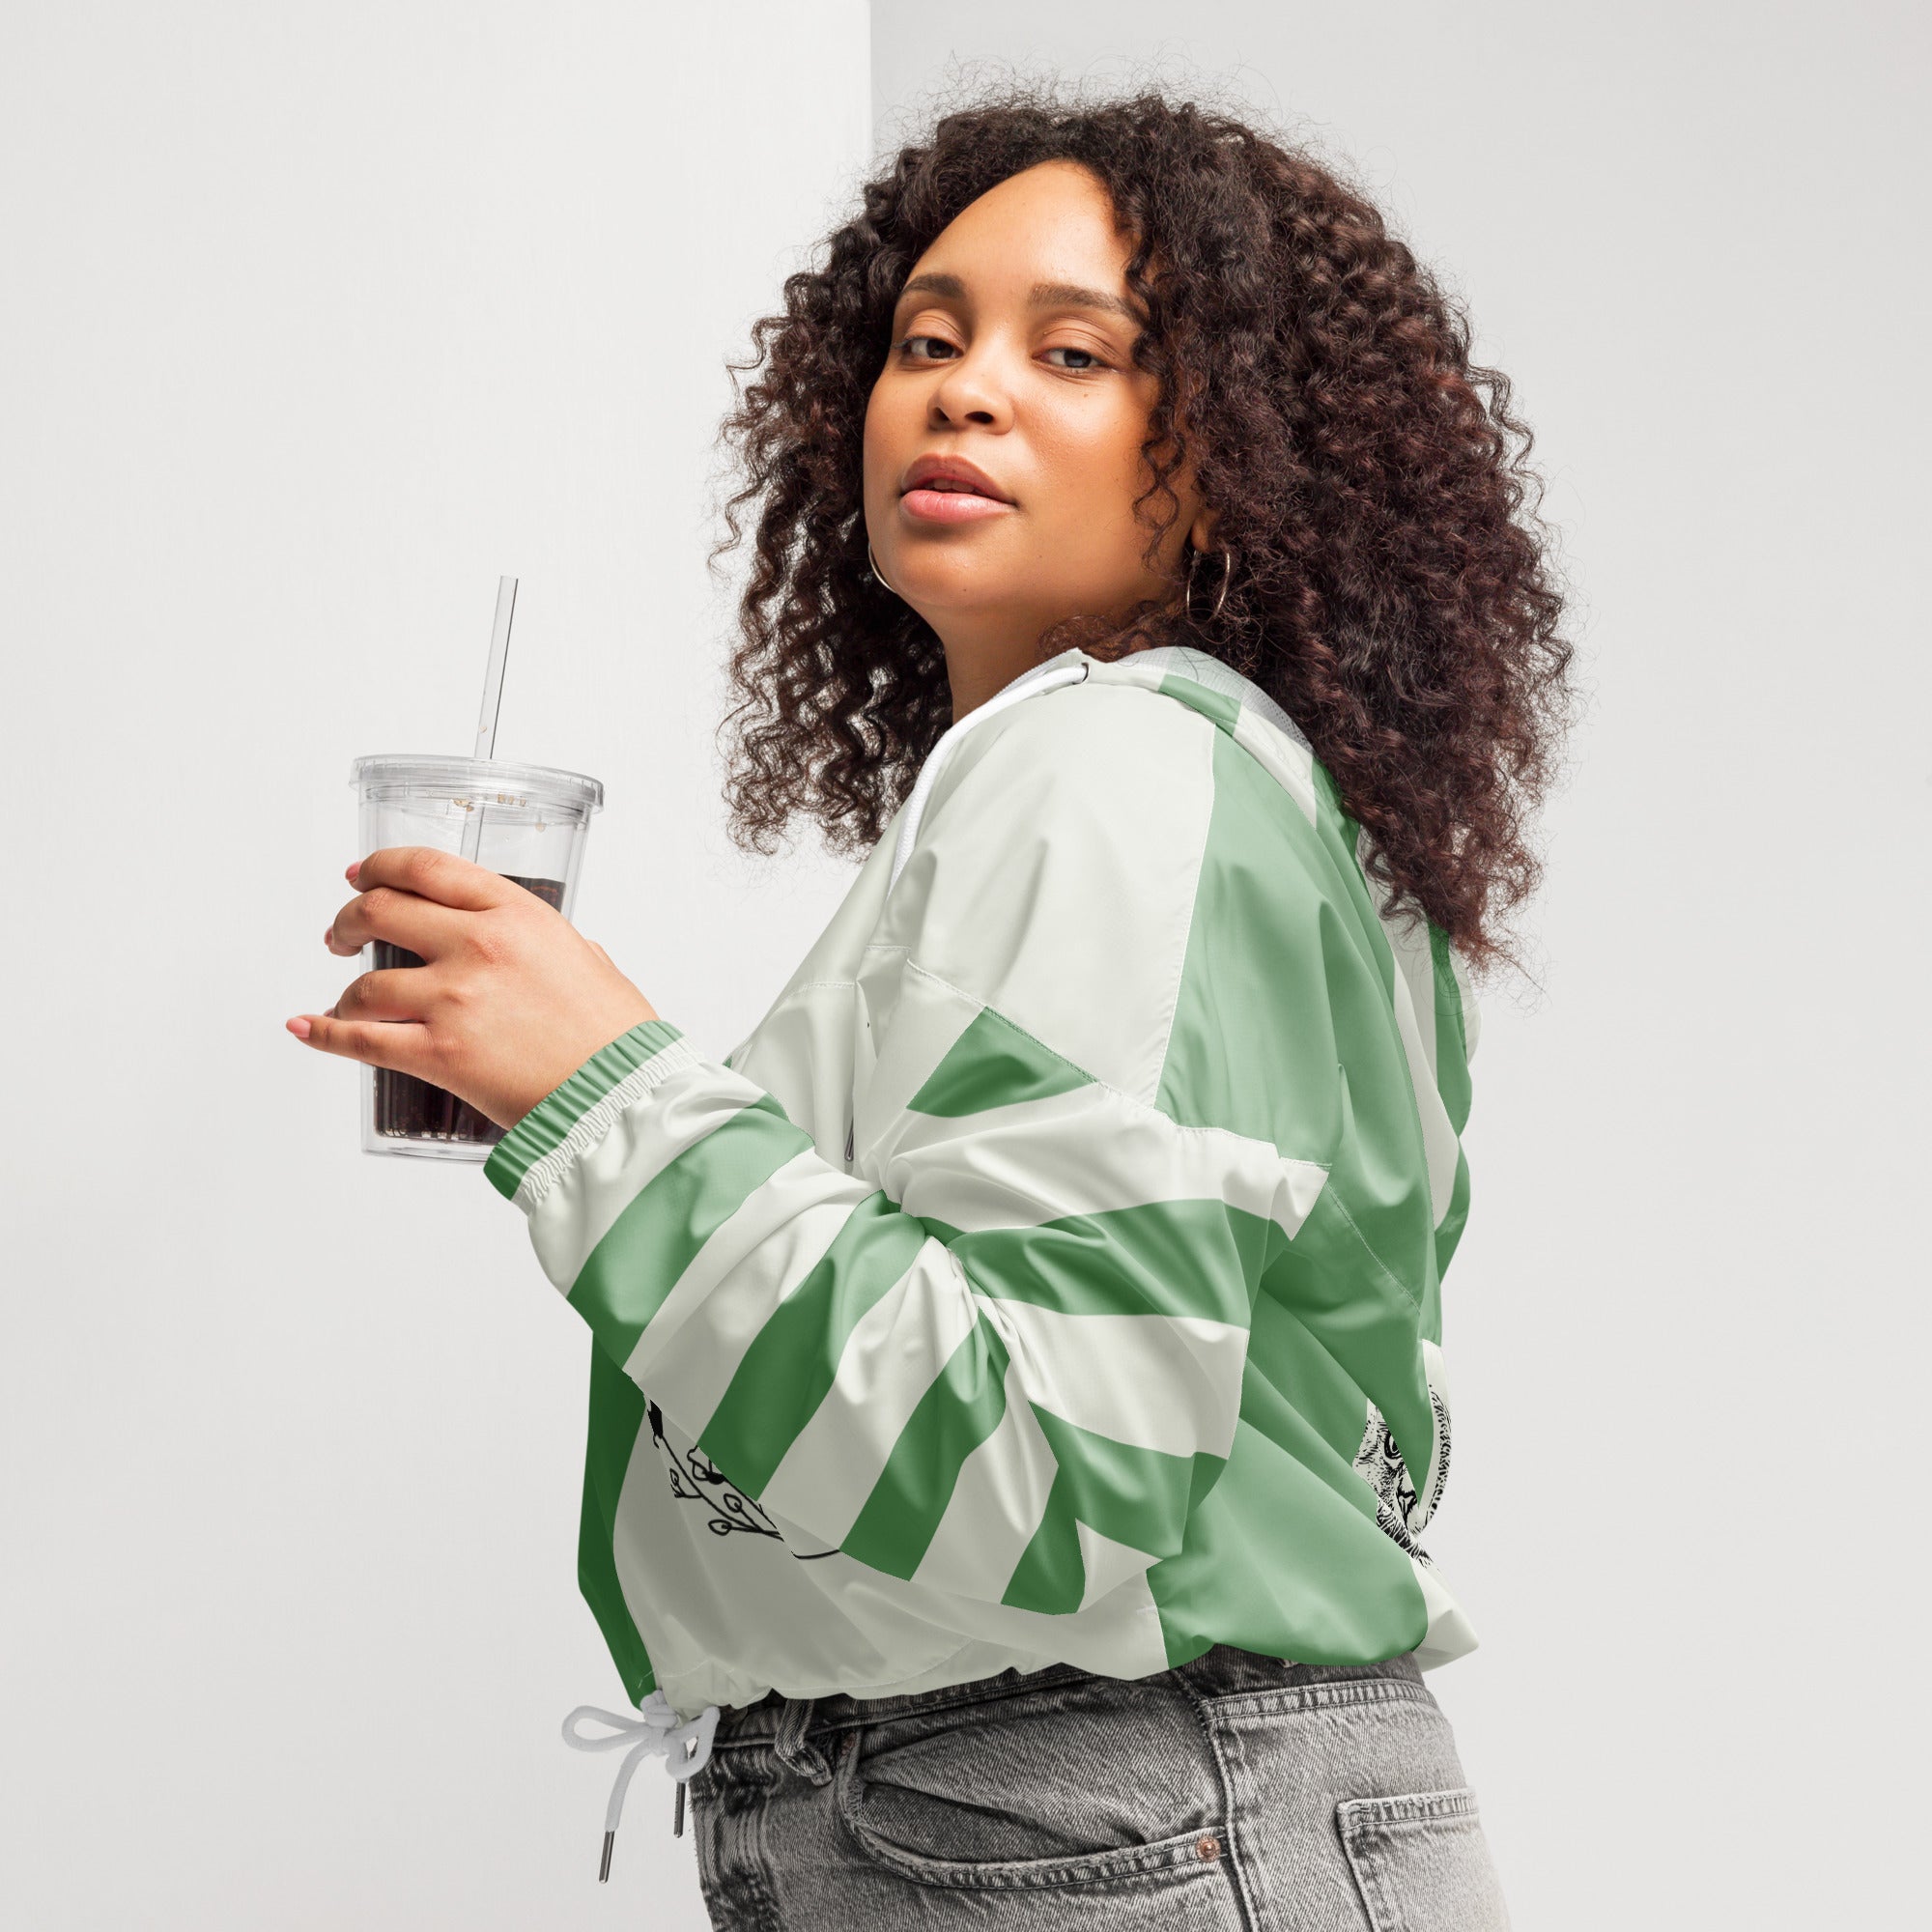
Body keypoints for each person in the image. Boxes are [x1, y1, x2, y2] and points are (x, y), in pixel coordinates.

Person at [290, 86, 1574, 1932]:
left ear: (1238, 442)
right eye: (926, 340)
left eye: (1076, 353)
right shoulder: (1230, 787)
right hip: (1120, 1808)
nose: (966, 392)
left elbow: (1045, 1471)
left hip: (1092, 1816)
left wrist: (606, 1091)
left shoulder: (1112, 772)